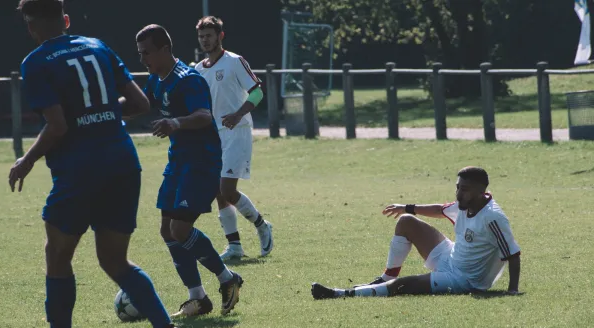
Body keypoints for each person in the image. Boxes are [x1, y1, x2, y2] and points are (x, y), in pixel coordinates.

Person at [11, 0, 186, 328]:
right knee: (114, 260)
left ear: (31, 25)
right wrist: (101, 110)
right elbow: (140, 102)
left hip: (81, 170)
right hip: (123, 163)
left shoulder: (36, 61)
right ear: (66, 19)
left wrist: (26, 160)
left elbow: (57, 127)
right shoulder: (97, 45)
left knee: (57, 253)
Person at [136, 24, 243, 318]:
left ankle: (227, 278)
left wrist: (176, 123)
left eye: (147, 53)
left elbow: (204, 115)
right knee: (166, 229)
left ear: (165, 50)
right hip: (178, 162)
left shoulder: (188, 79)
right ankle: (198, 298)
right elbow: (141, 104)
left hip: (202, 163)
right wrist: (102, 110)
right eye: (139, 53)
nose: (143, 59)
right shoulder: (158, 80)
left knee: (180, 229)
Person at [311, 167, 522, 299]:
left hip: (464, 279)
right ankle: (384, 277)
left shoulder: (493, 217)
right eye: (457, 187)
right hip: (450, 256)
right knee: (406, 222)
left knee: (404, 285)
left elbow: (512, 254)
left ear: (480, 191)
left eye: (464, 189)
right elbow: (440, 210)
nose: (458, 193)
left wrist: (512, 290)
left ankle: (339, 294)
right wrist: (406, 207)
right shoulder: (463, 204)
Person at [193, 16, 273, 261]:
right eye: (201, 36)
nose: (205, 40)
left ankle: (262, 225)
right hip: (212, 135)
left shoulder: (235, 61)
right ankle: (235, 246)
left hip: (236, 132)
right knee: (219, 191)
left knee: (227, 189)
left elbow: (258, 91)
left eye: (209, 35)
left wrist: (238, 114)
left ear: (220, 36)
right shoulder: (198, 69)